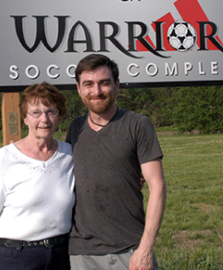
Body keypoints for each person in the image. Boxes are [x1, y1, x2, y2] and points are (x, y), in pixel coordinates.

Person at [66, 53, 166, 270]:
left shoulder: (137, 124)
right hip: (81, 254)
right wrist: (11, 156)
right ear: (78, 88)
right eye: (88, 84)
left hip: (129, 251)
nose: (96, 91)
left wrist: (145, 249)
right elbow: (53, 167)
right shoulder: (75, 128)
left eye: (104, 83)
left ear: (117, 85)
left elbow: (157, 187)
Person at [0, 82, 75, 270]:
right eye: (36, 113)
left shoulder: (70, 155)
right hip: (16, 258)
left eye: (51, 111)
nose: (44, 119)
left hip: (61, 256)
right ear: (25, 118)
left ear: (59, 116)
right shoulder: (4, 158)